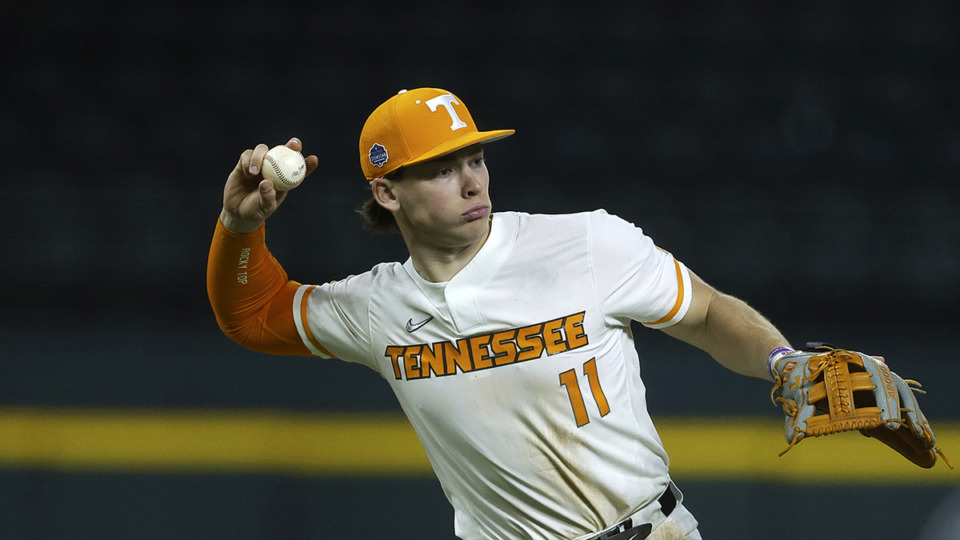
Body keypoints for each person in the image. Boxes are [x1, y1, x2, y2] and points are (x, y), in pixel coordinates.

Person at [207, 87, 795, 540]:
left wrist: (781, 360)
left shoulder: (588, 243)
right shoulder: (375, 308)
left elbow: (708, 311)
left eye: (476, 160)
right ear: (388, 193)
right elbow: (251, 314)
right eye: (442, 169)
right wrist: (241, 225)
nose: (472, 183)